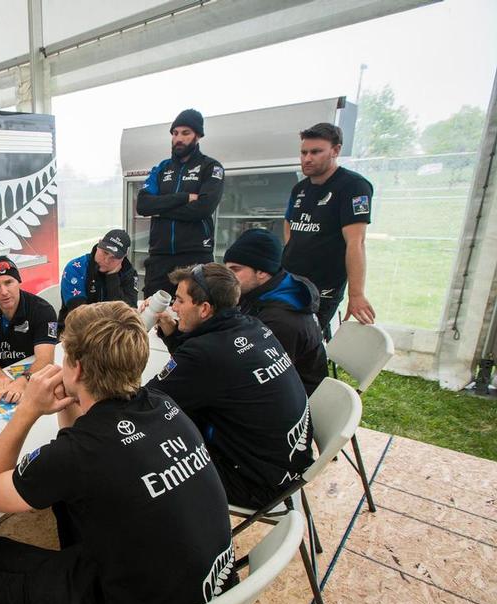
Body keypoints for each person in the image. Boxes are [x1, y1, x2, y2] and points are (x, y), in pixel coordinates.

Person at [0, 302, 234, 604]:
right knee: (69, 505)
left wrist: (27, 409)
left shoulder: (78, 455)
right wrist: (72, 400)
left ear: (75, 367)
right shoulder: (163, 404)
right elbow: (83, 446)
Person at [145, 263, 314, 509]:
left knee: (144, 451)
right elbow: (204, 372)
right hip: (289, 464)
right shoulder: (253, 325)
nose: (174, 308)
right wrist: (173, 336)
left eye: (180, 301)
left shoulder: (206, 353)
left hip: (254, 483)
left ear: (204, 308)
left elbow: (147, 403)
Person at [283, 122, 375, 331]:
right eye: (304, 152)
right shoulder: (299, 189)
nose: (307, 158)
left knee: (306, 339)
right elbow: (289, 225)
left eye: (316, 152)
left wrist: (356, 294)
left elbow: (356, 243)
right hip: (290, 281)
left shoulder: (353, 186)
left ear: (336, 150)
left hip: (323, 287)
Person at [224, 229, 328, 396]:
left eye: (235, 270)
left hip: (296, 400)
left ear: (262, 272)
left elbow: (254, 377)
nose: (228, 277)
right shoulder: (273, 287)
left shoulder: (280, 321)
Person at [136, 109, 225, 298]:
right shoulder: (161, 169)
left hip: (196, 255)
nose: (179, 138)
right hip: (160, 256)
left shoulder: (211, 167)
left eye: (186, 133)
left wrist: (159, 209)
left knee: (195, 316)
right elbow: (143, 205)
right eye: (175, 133)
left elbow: (203, 208)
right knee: (153, 315)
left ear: (198, 136)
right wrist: (184, 198)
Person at [0, 256, 58, 403]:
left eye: (9, 282)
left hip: (28, 374)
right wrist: (0, 378)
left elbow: (46, 359)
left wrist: (23, 381)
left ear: (19, 282)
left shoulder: (43, 309)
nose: (4, 292)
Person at [58, 228, 138, 326]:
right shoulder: (75, 268)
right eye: (105, 252)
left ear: (124, 257)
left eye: (114, 257)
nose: (107, 260)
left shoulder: (128, 272)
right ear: (99, 244)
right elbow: (79, 315)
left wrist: (112, 278)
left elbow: (130, 314)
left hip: (113, 332)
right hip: (74, 332)